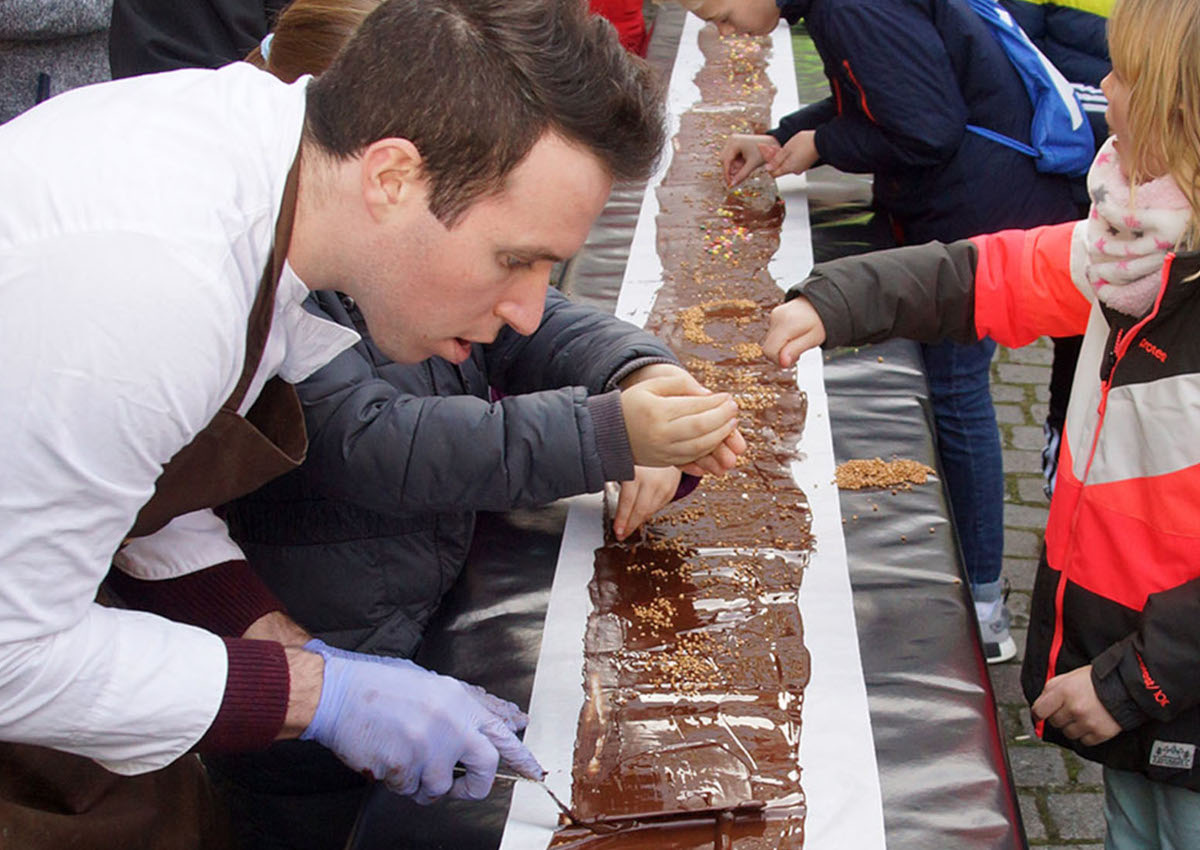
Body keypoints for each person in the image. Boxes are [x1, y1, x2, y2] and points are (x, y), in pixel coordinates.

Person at [0, 0, 746, 845]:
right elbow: (11, 656)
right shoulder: (156, 282)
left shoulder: (277, 192)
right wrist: (322, 698)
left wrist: (299, 653)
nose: (532, 313)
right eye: (516, 259)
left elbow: (151, 500)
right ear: (392, 177)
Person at [764, 0, 1200, 840]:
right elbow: (986, 274)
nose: (1101, 87)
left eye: (1125, 77)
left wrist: (1130, 685)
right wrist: (837, 298)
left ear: (1180, 116)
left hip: (1168, 684)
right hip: (1142, 677)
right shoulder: (1133, 250)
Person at [684, 0, 1080, 663]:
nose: (721, 29)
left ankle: (982, 604)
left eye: (720, 11)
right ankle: (979, 591)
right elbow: (879, 92)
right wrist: (788, 134)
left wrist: (824, 144)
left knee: (954, 392)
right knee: (952, 390)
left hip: (978, 214)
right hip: (980, 201)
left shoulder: (848, 7)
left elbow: (926, 129)